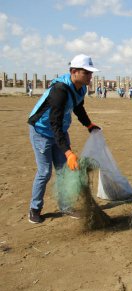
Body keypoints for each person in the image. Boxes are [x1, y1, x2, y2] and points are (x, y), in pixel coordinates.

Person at [27, 54, 101, 224]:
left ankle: (65, 206)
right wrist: (68, 152)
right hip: (41, 131)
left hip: (59, 131)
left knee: (63, 171)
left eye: (91, 73)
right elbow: (54, 123)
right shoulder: (59, 90)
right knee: (45, 171)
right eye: (87, 72)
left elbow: (78, 107)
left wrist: (88, 125)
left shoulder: (81, 88)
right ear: (74, 71)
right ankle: (35, 208)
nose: (90, 76)